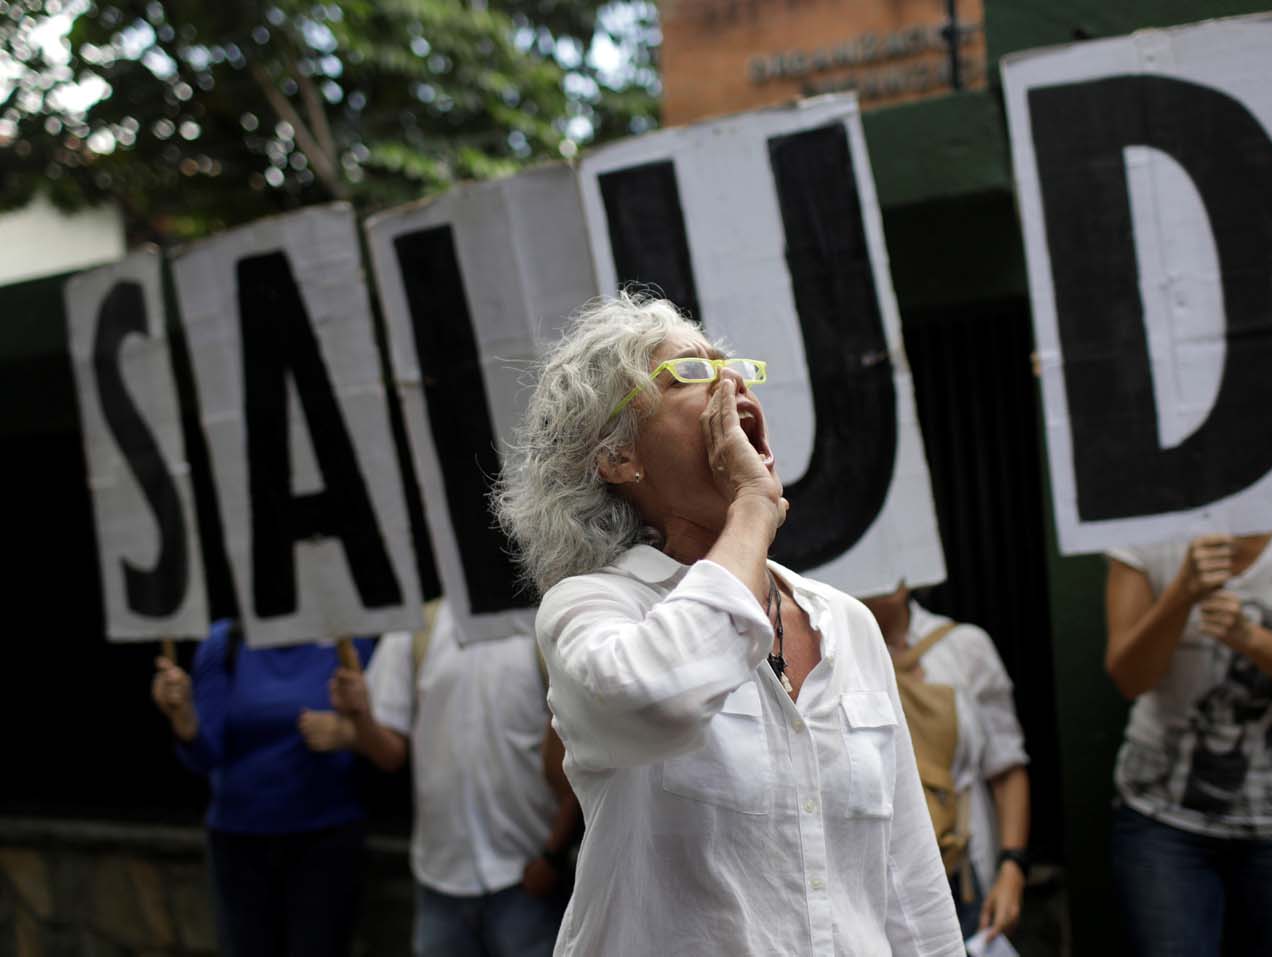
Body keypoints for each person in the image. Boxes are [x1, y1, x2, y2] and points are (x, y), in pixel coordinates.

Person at [491, 292, 964, 956]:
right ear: (619, 457)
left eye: (736, 367)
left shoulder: (847, 625)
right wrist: (750, 508)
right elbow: (659, 697)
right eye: (690, 373)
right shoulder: (590, 608)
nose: (731, 382)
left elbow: (911, 888)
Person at [1104, 525, 1272, 957]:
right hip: (1167, 818)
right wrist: (1182, 594)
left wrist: (1251, 639)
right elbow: (1130, 678)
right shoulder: (1146, 530)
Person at [306, 600, 580, 957]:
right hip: (440, 877)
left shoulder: (545, 624)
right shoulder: (419, 626)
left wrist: (553, 857)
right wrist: (360, 717)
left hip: (526, 874)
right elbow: (389, 753)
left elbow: (576, 759)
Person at [149, 620, 375, 957]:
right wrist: (183, 716)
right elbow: (205, 754)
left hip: (325, 839)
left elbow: (388, 742)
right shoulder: (225, 643)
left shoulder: (347, 641)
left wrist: (349, 732)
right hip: (240, 843)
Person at [861, 583, 1032, 943]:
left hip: (965, 874)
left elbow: (1006, 765)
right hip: (877, 887)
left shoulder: (962, 646)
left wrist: (1012, 868)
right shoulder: (825, 653)